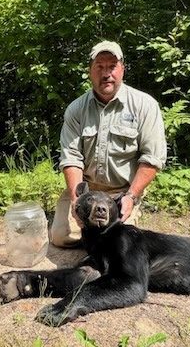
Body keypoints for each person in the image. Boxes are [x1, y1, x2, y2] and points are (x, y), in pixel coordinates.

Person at [50, 40, 167, 248]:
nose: (106, 74)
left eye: (112, 66)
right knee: (61, 237)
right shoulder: (76, 109)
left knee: (120, 242)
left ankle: (107, 232)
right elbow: (71, 159)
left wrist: (131, 196)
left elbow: (152, 159)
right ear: (90, 71)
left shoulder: (145, 106)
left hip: (123, 191)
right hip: (87, 191)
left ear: (122, 69)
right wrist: (78, 200)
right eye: (100, 67)